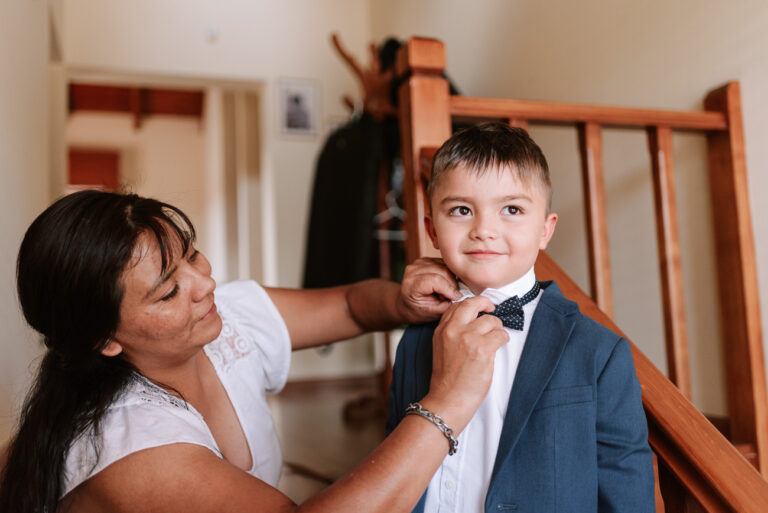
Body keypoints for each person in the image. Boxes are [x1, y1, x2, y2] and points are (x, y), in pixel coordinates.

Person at [0, 190, 511, 513]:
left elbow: (353, 308)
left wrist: (401, 300)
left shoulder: (223, 320)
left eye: (193, 255)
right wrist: (449, 402)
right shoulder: (134, 448)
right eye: (168, 291)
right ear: (104, 340)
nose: (205, 283)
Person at [387, 122, 655, 512]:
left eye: (511, 209)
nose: (484, 230)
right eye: (462, 210)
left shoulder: (599, 351)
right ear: (432, 229)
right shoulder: (415, 340)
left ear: (545, 231)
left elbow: (625, 486)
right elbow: (396, 455)